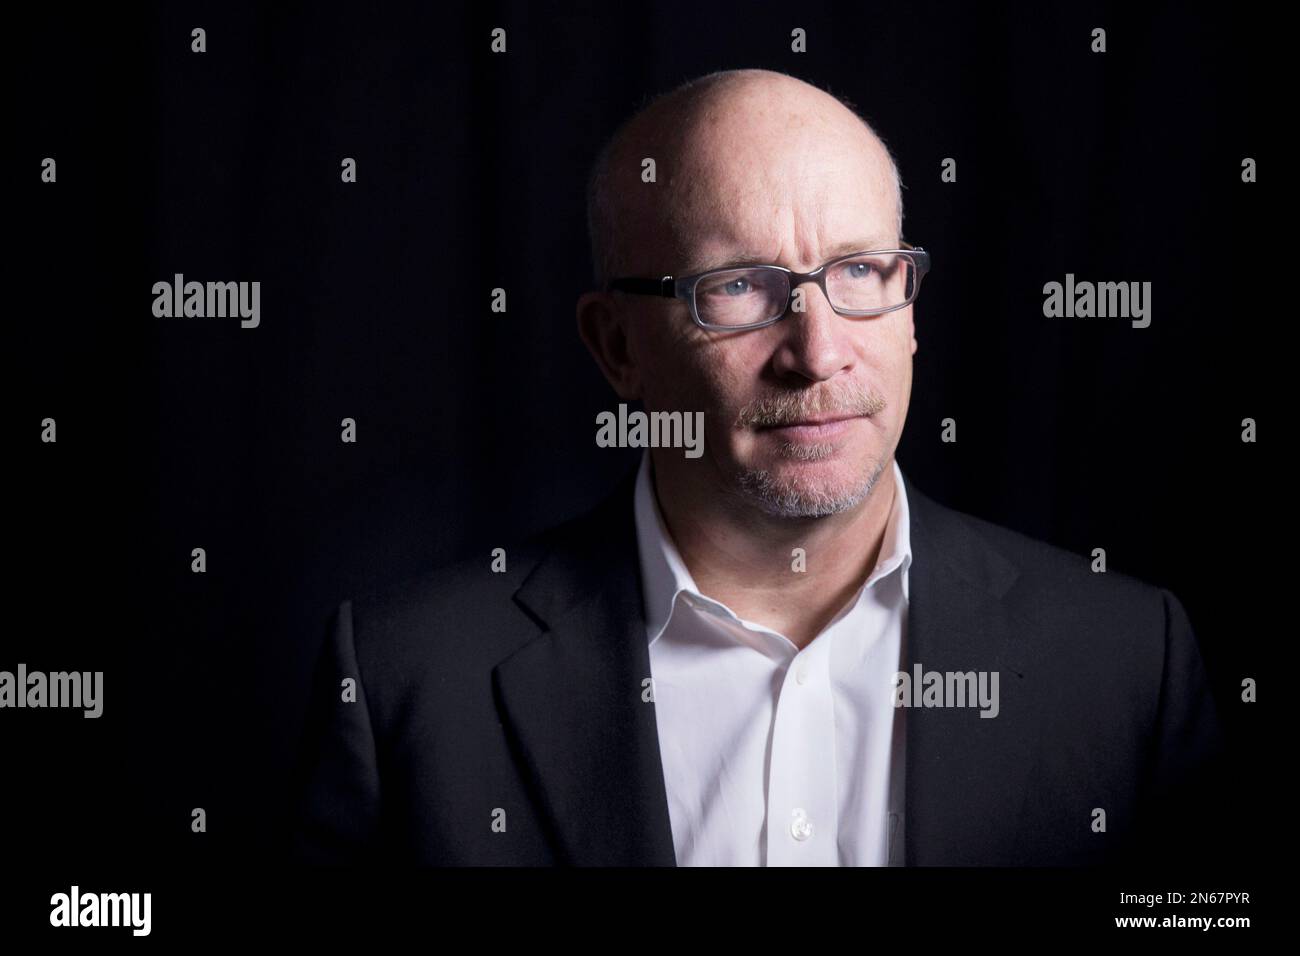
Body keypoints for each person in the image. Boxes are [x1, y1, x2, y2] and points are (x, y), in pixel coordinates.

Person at [288, 68, 1227, 866]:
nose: (817, 353)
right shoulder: (407, 685)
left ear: (912, 307)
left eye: (861, 272)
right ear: (617, 347)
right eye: (738, 286)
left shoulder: (1126, 663)